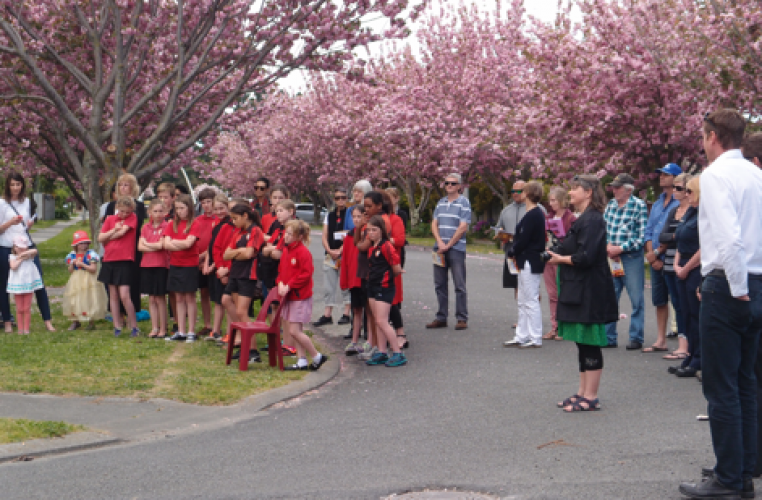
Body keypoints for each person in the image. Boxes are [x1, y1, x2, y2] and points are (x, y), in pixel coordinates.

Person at [678, 109, 762, 500]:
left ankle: (728, 477)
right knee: (745, 382)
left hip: (731, 285)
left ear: (713, 136)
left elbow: (728, 239)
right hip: (757, 283)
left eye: (703, 136)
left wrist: (737, 288)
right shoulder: (757, 174)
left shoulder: (714, 175)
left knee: (721, 386)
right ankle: (742, 471)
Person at [546, 175, 618, 412]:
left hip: (590, 289)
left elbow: (585, 257)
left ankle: (591, 396)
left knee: (590, 342)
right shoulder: (582, 219)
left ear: (588, 192)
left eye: (575, 188)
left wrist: (560, 258)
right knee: (581, 343)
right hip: (579, 286)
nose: (571, 193)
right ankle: (581, 392)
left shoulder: (593, 220)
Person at [0, 172, 55, 333]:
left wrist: (28, 225)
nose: (16, 188)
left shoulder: (27, 202)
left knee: (38, 283)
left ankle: (47, 321)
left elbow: (24, 227)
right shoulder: (2, 203)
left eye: (18, 184)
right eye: (12, 185)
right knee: (4, 285)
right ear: (7, 186)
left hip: (26, 246)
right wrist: (10, 222)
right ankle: (8, 322)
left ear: (23, 185)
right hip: (6, 247)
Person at [603, 173, 647, 349]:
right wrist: (608, 247)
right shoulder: (611, 205)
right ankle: (608, 337)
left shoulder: (639, 206)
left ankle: (636, 337)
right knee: (610, 297)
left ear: (628, 190)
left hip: (630, 257)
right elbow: (603, 229)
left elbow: (641, 236)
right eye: (613, 187)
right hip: (611, 257)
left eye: (618, 187)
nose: (614, 190)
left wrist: (620, 248)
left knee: (636, 299)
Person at [642, 163, 683, 353]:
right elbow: (649, 231)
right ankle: (660, 339)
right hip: (655, 258)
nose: (661, 177)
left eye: (666, 174)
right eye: (660, 174)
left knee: (678, 300)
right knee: (659, 300)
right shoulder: (657, 203)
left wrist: (657, 253)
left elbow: (673, 233)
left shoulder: (680, 203)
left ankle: (684, 342)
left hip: (671, 257)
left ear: (676, 178)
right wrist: (651, 255)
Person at [279, 220, 328, 371]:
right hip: (291, 295)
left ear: (299, 236)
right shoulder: (287, 250)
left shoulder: (303, 252)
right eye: (285, 233)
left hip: (300, 297)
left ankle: (316, 356)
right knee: (296, 330)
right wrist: (280, 282)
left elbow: (306, 274)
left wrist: (289, 285)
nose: (285, 236)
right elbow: (282, 271)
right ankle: (302, 360)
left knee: (294, 331)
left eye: (289, 234)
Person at [504, 181, 547, 348]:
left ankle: (535, 336)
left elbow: (524, 239)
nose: (518, 193)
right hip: (524, 260)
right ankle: (522, 334)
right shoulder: (531, 213)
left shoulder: (535, 214)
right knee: (522, 299)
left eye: (522, 191)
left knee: (531, 299)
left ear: (527, 194)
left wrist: (512, 250)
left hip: (530, 260)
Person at [426, 173, 471, 331]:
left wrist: (449, 244)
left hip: (456, 248)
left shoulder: (464, 202)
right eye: (447, 183)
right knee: (440, 283)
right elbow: (434, 223)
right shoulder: (441, 202)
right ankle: (441, 316)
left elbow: (463, 227)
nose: (449, 186)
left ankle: (461, 317)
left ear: (459, 186)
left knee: (459, 283)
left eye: (453, 183)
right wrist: (439, 242)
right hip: (439, 247)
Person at [364, 215, 407, 367]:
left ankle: (397, 353)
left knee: (382, 320)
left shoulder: (386, 246)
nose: (371, 233)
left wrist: (388, 277)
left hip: (384, 286)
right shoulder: (371, 248)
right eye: (369, 230)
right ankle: (382, 352)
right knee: (377, 321)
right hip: (372, 286)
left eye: (374, 230)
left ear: (382, 231)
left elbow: (396, 267)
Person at [657, 173, 692, 361]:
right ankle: (682, 345)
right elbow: (663, 236)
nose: (675, 192)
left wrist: (674, 236)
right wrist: (674, 237)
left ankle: (687, 346)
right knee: (677, 305)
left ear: (688, 191)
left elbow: (684, 237)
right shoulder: (674, 211)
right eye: (674, 188)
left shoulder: (692, 211)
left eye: (679, 188)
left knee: (686, 306)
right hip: (669, 263)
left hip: (684, 264)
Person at [668, 175, 700, 377]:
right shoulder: (689, 213)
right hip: (682, 264)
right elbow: (678, 238)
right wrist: (676, 263)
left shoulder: (704, 215)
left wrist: (686, 267)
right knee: (685, 313)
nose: (686, 194)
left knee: (696, 316)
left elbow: (704, 246)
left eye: (689, 191)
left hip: (695, 266)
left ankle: (698, 359)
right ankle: (689, 354)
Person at [104, 174, 147, 322]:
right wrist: (109, 235)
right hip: (111, 251)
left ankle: (132, 316)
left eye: (126, 185)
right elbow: (104, 229)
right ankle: (118, 317)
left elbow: (131, 227)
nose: (123, 188)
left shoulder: (138, 206)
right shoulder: (111, 206)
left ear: (133, 187)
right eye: (120, 185)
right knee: (113, 286)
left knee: (130, 283)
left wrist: (112, 233)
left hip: (131, 249)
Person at [98, 196, 140, 337]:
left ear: (132, 210)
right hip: (109, 259)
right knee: (113, 295)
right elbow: (100, 238)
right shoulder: (110, 219)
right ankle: (117, 326)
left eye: (127, 212)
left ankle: (133, 326)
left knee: (124, 295)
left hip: (124, 260)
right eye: (121, 211)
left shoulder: (132, 218)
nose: (124, 215)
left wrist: (109, 236)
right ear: (117, 208)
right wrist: (112, 231)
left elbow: (121, 233)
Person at [163, 194, 202, 343]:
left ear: (189, 208)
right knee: (178, 298)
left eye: (182, 208)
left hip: (189, 265)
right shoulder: (171, 224)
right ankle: (181, 330)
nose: (179, 211)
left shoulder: (194, 224)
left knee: (189, 298)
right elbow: (166, 244)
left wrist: (175, 242)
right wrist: (180, 243)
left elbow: (189, 244)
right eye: (177, 208)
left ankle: (191, 331)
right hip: (175, 264)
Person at [313, 188, 351, 327]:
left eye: (343, 197)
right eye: (337, 198)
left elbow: (350, 233)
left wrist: (340, 250)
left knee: (345, 285)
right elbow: (324, 235)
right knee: (329, 286)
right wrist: (329, 249)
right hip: (330, 254)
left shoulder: (350, 214)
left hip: (345, 254)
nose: (340, 200)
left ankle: (347, 312)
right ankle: (327, 313)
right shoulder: (329, 215)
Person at [542, 187, 577, 340]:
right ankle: (554, 326)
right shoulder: (548, 217)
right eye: (550, 200)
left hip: (563, 257)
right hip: (549, 256)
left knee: (564, 292)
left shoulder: (571, 218)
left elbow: (575, 239)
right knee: (552, 294)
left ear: (562, 200)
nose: (551, 204)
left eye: (553, 200)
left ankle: (565, 327)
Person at [342, 206, 372, 356]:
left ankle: (370, 341)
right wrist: (344, 280)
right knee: (357, 310)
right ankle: (354, 341)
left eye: (359, 216)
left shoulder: (368, 234)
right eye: (354, 216)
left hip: (366, 278)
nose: (356, 219)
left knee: (370, 311)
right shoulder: (349, 236)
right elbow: (346, 259)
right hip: (354, 279)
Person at [202, 194, 233, 341]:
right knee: (217, 300)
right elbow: (212, 247)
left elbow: (224, 249)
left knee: (226, 301)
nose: (219, 211)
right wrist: (208, 263)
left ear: (227, 207)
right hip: (215, 267)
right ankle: (215, 330)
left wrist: (216, 266)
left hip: (223, 267)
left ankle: (228, 332)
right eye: (216, 209)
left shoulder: (229, 225)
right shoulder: (216, 224)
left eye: (222, 208)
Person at [138, 200, 170, 339]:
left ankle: (163, 328)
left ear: (165, 212)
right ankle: (154, 327)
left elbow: (162, 246)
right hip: (147, 265)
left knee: (160, 298)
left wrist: (148, 244)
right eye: (155, 211)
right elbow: (140, 247)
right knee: (151, 298)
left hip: (161, 264)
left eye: (160, 211)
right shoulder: (145, 227)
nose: (158, 214)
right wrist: (153, 245)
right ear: (149, 212)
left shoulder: (167, 226)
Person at [63, 231, 107, 331]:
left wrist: (83, 265)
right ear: (76, 245)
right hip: (76, 278)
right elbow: (70, 271)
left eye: (85, 243)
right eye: (80, 243)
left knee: (89, 298)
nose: (83, 245)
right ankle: (76, 321)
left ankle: (91, 321)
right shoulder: (72, 255)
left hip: (88, 279)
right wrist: (72, 264)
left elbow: (93, 269)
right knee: (75, 298)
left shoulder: (90, 254)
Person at [194, 188, 219, 337]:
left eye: (209, 202)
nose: (206, 205)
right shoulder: (198, 220)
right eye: (203, 202)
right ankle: (207, 324)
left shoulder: (217, 219)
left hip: (213, 260)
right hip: (199, 261)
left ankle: (216, 325)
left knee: (215, 294)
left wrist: (204, 256)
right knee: (203, 292)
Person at [494, 180, 527, 293]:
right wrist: (500, 233)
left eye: (519, 191)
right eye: (513, 191)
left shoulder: (536, 209)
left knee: (531, 287)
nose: (515, 193)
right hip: (511, 250)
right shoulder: (506, 211)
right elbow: (498, 227)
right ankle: (520, 310)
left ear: (526, 191)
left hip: (528, 251)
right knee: (515, 284)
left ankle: (532, 310)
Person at [7, 235, 42, 335]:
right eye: (18, 247)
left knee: (26, 308)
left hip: (28, 285)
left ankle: (26, 329)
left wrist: (23, 254)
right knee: (19, 309)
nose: (21, 249)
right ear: (14, 248)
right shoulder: (12, 257)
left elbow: (34, 251)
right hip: (18, 285)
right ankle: (20, 329)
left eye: (23, 247)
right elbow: (13, 267)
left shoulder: (29, 256)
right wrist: (20, 259)